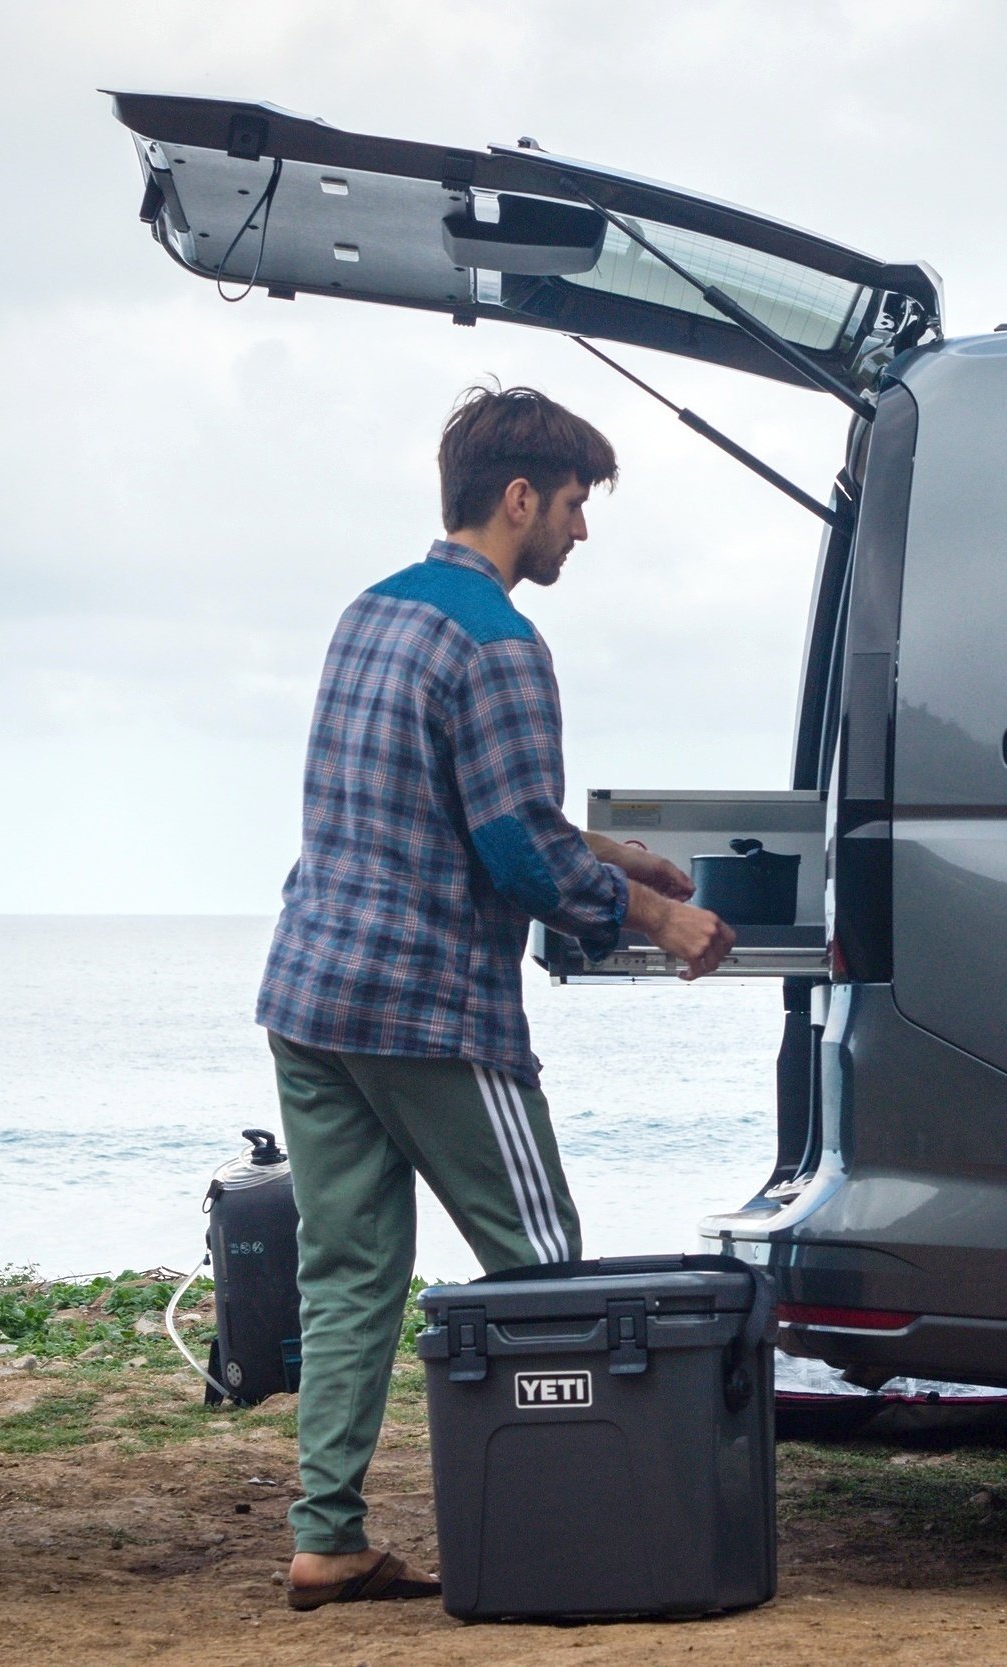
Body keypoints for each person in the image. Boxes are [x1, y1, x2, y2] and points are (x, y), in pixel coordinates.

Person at [258, 385, 736, 1610]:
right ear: (519, 497)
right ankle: (580, 1527)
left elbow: (454, 801)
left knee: (348, 1271)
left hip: (313, 993)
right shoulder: (503, 642)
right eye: (574, 503)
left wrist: (611, 854)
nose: (582, 529)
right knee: (547, 1274)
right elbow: (516, 850)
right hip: (428, 1009)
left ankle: (327, 1535)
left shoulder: (373, 612)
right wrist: (660, 918)